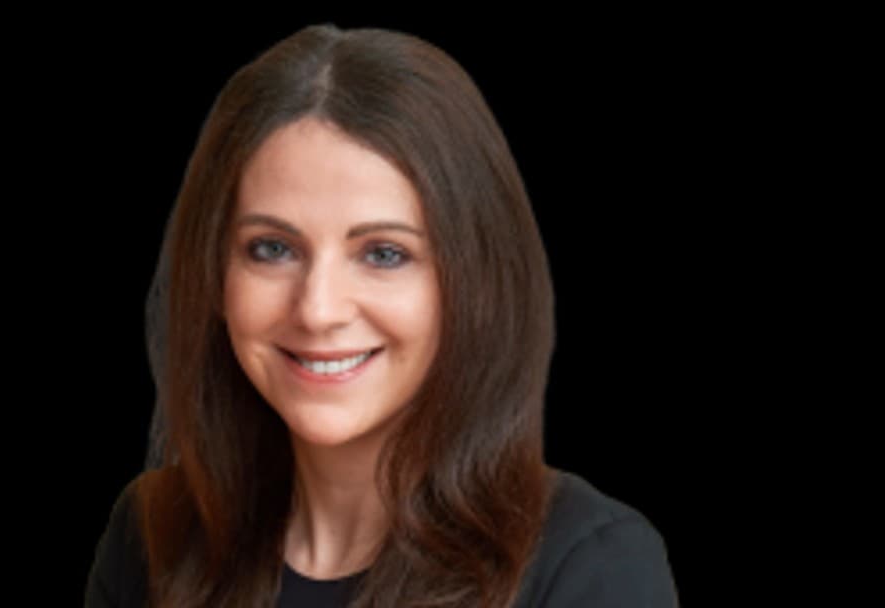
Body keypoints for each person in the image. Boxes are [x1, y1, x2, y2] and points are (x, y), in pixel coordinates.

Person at [86, 23, 680, 608]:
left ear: (475, 283)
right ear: (213, 273)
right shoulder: (151, 537)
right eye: (272, 248)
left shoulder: (593, 567)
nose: (318, 309)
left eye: (384, 254)